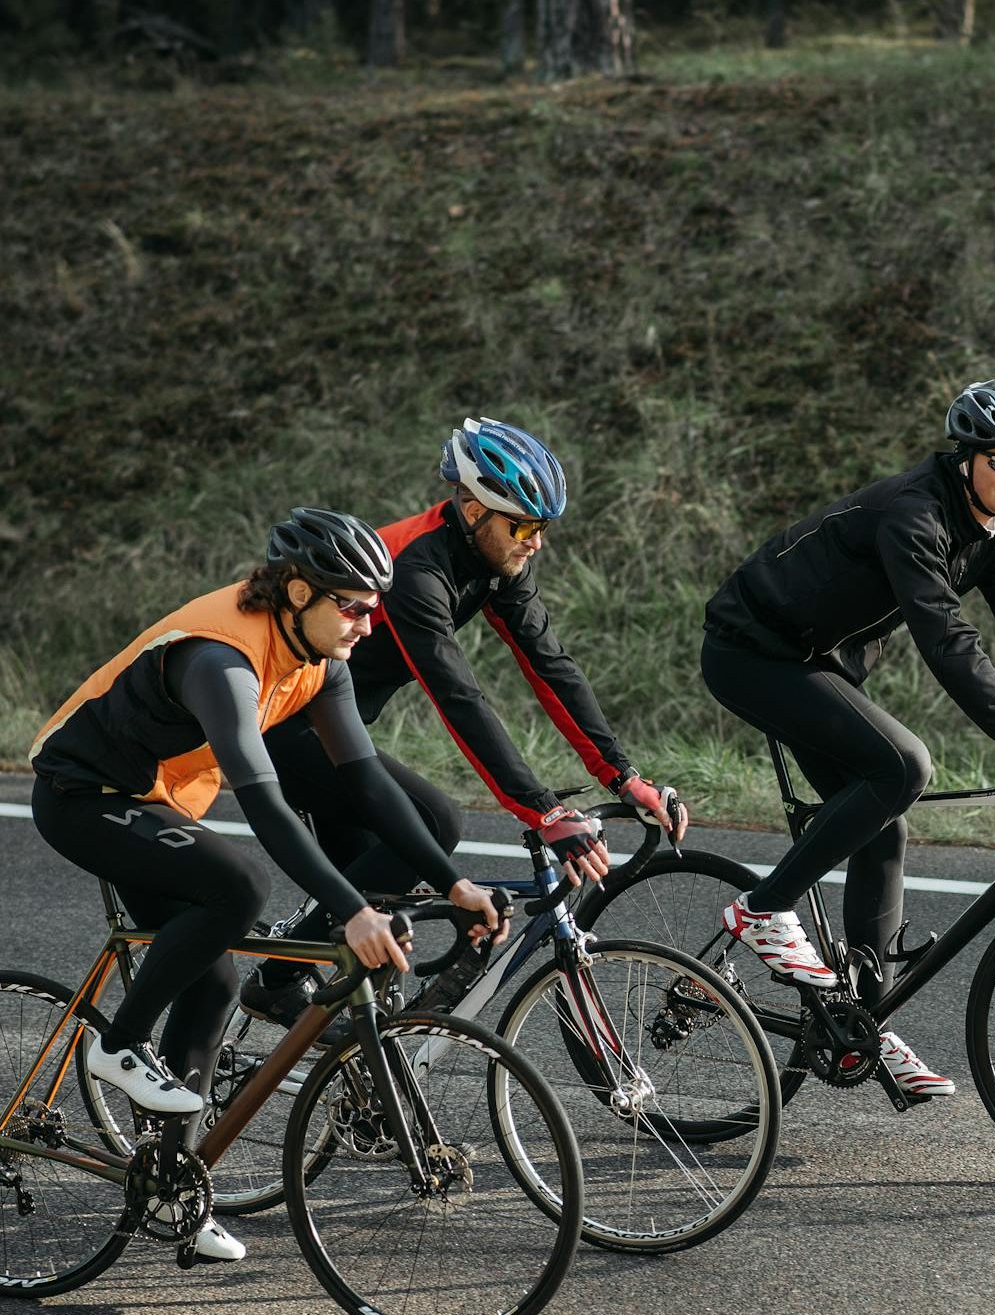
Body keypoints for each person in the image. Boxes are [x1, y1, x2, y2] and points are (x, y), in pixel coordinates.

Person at [30, 507, 502, 1262]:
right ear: (298, 593)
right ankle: (117, 1045)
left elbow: (369, 784)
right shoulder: (220, 660)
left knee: (214, 982)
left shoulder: (321, 658)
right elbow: (265, 806)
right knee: (241, 885)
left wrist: (454, 883)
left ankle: (171, 1188)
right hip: (83, 797)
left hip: (155, 802)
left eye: (373, 609)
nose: (367, 626)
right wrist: (351, 909)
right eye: (353, 607)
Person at [700, 378, 995, 1101]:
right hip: (753, 652)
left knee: (883, 825)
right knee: (903, 767)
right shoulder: (913, 514)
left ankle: (863, 1021)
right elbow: (945, 638)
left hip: (816, 660)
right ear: (967, 457)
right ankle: (764, 909)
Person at [245, 418, 690, 1026]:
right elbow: (458, 696)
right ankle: (275, 981)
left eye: (542, 528)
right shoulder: (415, 571)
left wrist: (622, 775)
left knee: (376, 918)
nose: (536, 543)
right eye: (524, 526)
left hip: (335, 727)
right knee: (433, 823)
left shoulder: (495, 560)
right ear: (474, 509)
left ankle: (351, 1064)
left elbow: (550, 665)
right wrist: (544, 812)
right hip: (278, 722)